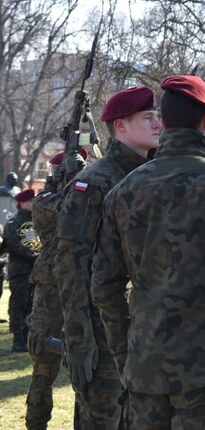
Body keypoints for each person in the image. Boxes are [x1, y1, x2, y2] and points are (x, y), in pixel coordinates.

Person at [92, 75, 205, 427]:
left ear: (166, 122)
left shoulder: (124, 192)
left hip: (144, 367)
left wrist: (125, 356)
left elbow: (104, 287)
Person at [54, 86, 161, 428]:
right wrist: (81, 341)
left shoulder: (154, 176)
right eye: (147, 118)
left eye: (157, 116)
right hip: (102, 338)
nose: (158, 124)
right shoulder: (94, 182)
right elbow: (70, 266)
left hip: (145, 333)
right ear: (121, 126)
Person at [25, 150, 85, 430]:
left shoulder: (89, 194)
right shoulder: (44, 201)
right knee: (43, 367)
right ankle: (36, 423)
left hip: (83, 287)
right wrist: (73, 181)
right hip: (50, 290)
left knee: (86, 371)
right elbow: (66, 209)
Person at [4, 188, 38, 353]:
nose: (32, 204)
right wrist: (32, 255)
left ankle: (28, 337)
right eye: (29, 201)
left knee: (32, 304)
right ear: (21, 203)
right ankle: (18, 340)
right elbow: (13, 244)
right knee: (19, 304)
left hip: (35, 270)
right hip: (20, 271)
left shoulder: (38, 220)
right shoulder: (13, 222)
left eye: (33, 201)